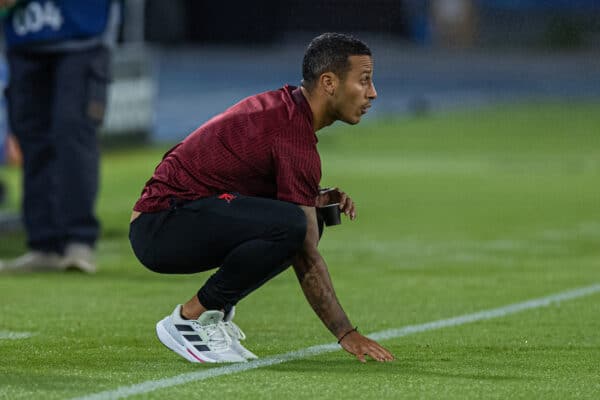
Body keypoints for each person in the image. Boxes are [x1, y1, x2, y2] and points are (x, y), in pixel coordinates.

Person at [129, 33, 394, 364]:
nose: (373, 92)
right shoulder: (292, 133)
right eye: (364, 80)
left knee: (304, 218)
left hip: (175, 216)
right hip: (161, 225)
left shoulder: (286, 111)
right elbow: (306, 253)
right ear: (328, 82)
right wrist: (345, 333)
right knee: (295, 226)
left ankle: (214, 313)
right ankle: (190, 318)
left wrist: (314, 196)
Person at [0, 0, 120, 273]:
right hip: (24, 36)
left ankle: (79, 241)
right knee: (32, 140)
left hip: (83, 35)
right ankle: (44, 245)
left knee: (73, 134)